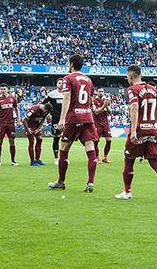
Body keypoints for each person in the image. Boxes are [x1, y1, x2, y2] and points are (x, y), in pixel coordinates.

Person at [114, 66, 157, 201]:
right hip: (153, 128)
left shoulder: (132, 89)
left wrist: (134, 130)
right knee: (154, 161)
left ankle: (127, 192)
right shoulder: (153, 89)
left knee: (129, 158)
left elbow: (134, 108)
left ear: (130, 76)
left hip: (140, 129)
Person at [48, 55, 99, 193]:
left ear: (71, 64)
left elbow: (67, 97)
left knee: (64, 148)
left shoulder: (68, 78)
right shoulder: (88, 80)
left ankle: (61, 181)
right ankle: (90, 183)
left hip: (74, 117)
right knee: (90, 148)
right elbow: (90, 100)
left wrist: (62, 119)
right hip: (87, 116)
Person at [0, 84, 20, 167]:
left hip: (11, 123)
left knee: (12, 141)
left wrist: (18, 119)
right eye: (1, 89)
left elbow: (17, 109)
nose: (3, 90)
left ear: (7, 89)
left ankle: (13, 160)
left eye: (4, 89)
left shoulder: (12, 98)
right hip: (1, 124)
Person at [41, 80, 65, 162]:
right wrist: (48, 114)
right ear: (56, 84)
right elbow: (42, 104)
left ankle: (64, 157)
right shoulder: (52, 94)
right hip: (56, 119)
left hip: (66, 119)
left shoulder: (68, 94)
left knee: (67, 139)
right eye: (59, 83)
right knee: (56, 138)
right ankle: (56, 158)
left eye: (62, 83)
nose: (61, 85)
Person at [92, 88, 113, 163]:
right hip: (97, 123)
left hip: (105, 123)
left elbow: (110, 112)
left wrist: (106, 106)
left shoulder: (106, 101)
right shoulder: (94, 101)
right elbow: (96, 112)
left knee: (109, 140)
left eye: (102, 91)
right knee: (96, 141)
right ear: (96, 93)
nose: (101, 93)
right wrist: (104, 106)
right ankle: (97, 158)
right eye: (99, 91)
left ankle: (105, 157)